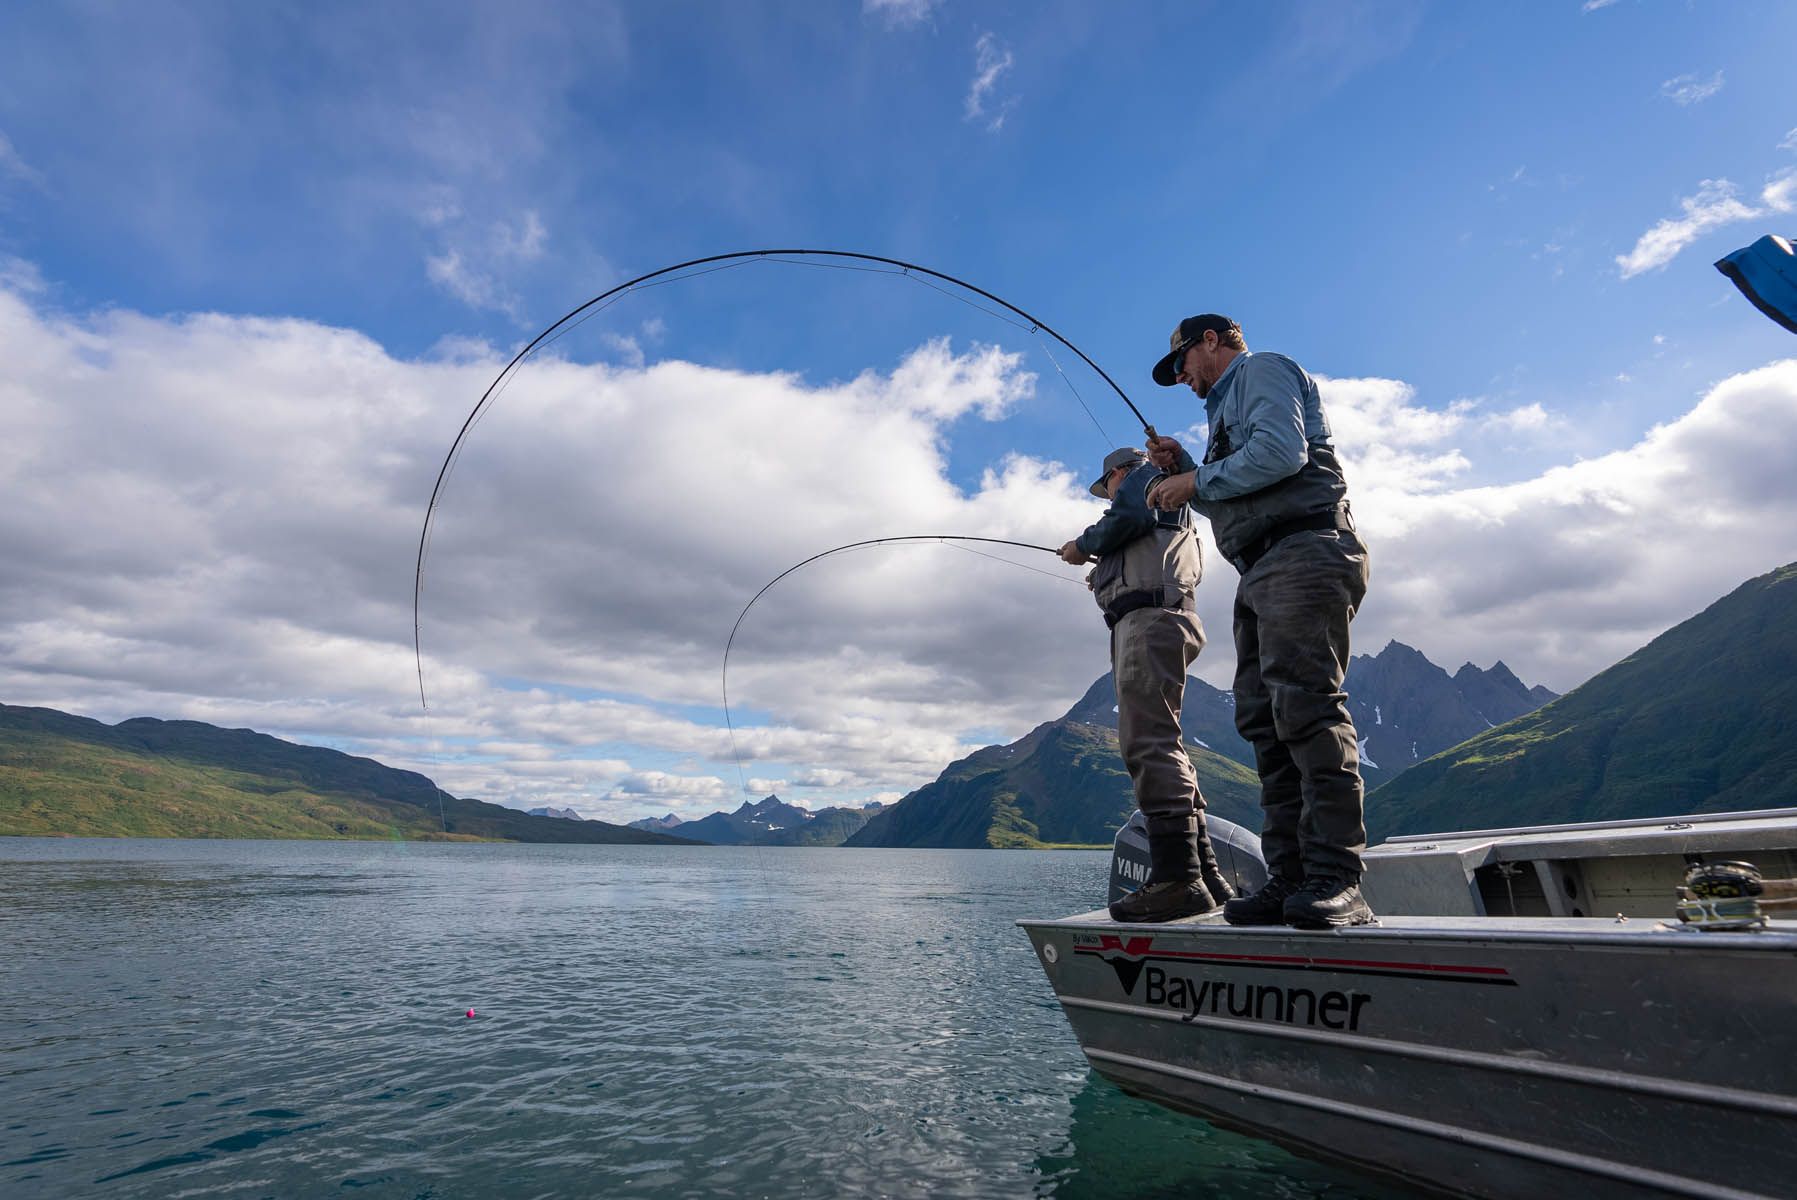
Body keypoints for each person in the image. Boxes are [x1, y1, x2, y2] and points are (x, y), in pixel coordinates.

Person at [1143, 314, 1374, 929]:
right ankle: (1291, 878)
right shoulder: (1222, 414)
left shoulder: (1262, 371)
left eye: (1184, 364)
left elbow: (1279, 453)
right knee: (1265, 722)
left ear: (1212, 342)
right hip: (1262, 566)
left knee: (1306, 709)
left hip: (1304, 550)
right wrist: (1185, 471)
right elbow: (1238, 485)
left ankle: (1337, 880)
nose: (1183, 379)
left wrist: (1195, 477)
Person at [1059, 446, 1235, 922]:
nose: (1108, 496)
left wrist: (1083, 545)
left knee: (1146, 743)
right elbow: (1142, 540)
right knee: (1163, 740)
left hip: (1149, 622)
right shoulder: (1158, 500)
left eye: (1106, 487)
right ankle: (1206, 874)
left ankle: (1178, 881)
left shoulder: (1140, 481)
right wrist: (1106, 570)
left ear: (1116, 472)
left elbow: (1128, 513)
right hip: (1158, 619)